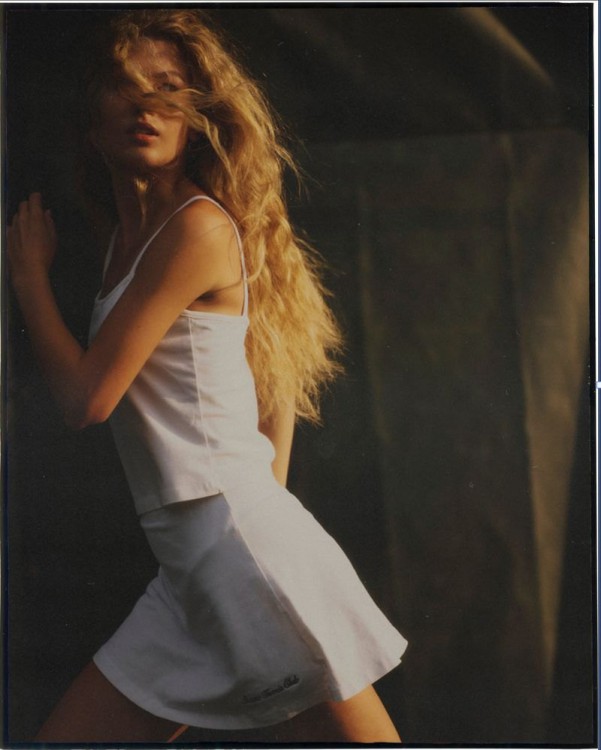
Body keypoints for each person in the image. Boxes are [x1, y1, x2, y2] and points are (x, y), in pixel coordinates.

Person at [8, 9, 408, 743]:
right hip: (191, 570)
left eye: (168, 88)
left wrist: (29, 279)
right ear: (91, 119)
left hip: (234, 553)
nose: (146, 105)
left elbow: (87, 401)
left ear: (196, 117)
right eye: (124, 86)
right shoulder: (130, 240)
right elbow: (271, 385)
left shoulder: (196, 227)